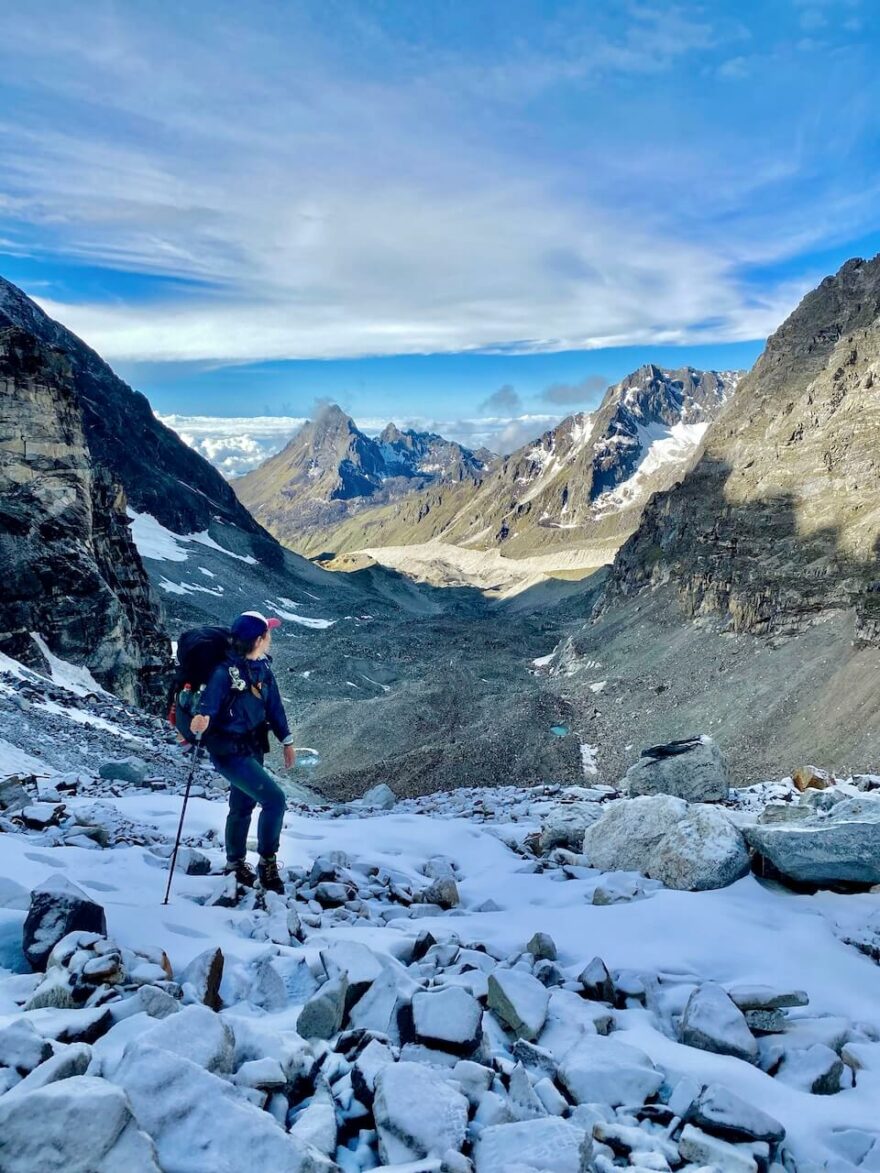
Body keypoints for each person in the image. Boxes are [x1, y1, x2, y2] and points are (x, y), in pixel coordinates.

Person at [189, 610, 296, 894]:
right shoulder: (224, 673)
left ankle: (235, 865)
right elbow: (207, 708)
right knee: (275, 800)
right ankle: (267, 864)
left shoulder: (262, 668)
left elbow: (274, 707)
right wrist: (201, 720)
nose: (270, 637)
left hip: (251, 746)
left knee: (243, 805)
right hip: (229, 751)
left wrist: (287, 740)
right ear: (260, 639)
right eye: (268, 633)